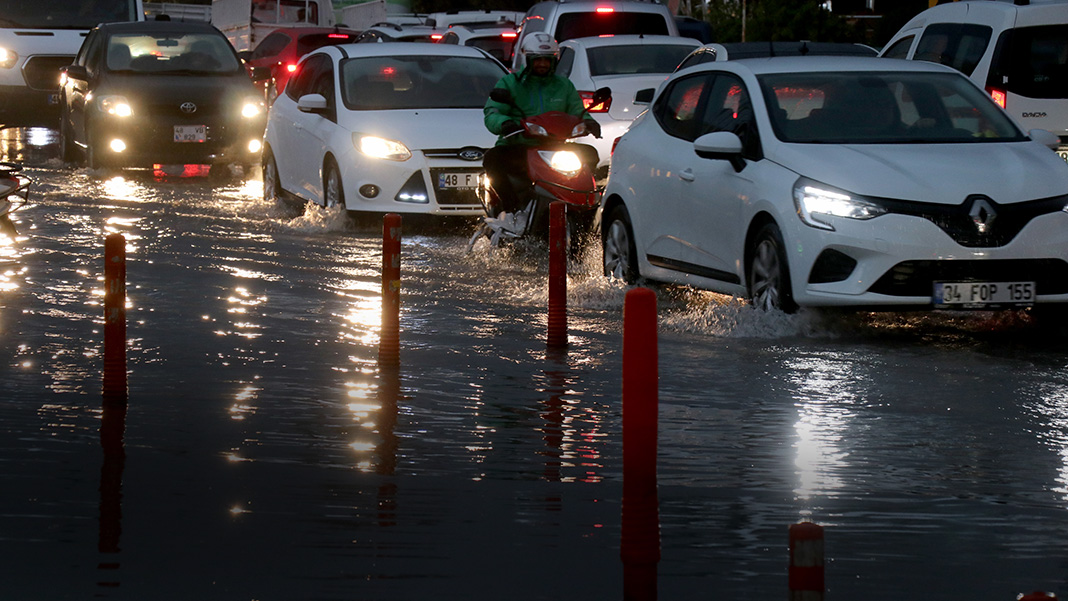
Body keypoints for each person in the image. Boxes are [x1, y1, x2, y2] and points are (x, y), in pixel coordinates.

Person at [482, 33, 601, 216]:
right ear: (527, 59)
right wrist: (504, 123)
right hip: (519, 146)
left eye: (547, 60)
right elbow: (493, 112)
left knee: (589, 154)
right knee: (493, 159)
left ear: (555, 60)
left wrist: (589, 123)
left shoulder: (564, 86)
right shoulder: (510, 83)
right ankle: (511, 210)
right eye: (537, 60)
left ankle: (582, 209)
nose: (542, 64)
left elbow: (577, 110)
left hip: (556, 147)